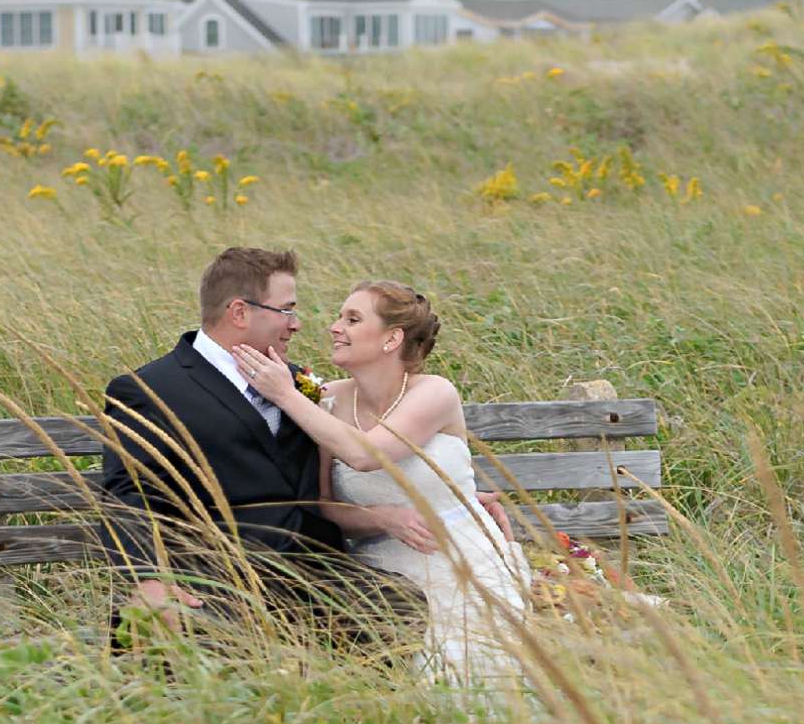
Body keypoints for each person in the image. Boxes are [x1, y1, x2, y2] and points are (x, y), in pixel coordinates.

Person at [92, 247, 505, 651]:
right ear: (240, 312)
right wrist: (147, 580)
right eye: (287, 310)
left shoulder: (297, 385)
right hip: (215, 574)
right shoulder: (152, 389)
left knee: (397, 603)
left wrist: (455, 498)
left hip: (312, 574)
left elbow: (327, 478)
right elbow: (128, 495)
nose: (298, 324)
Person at [231, 282, 531, 689]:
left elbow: (368, 455)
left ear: (392, 339)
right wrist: (382, 518)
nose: (335, 327)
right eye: (340, 317)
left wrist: (286, 395)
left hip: (464, 558)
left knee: (464, 663)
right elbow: (325, 505)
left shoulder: (434, 392)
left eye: (352, 319)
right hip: (383, 571)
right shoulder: (328, 400)